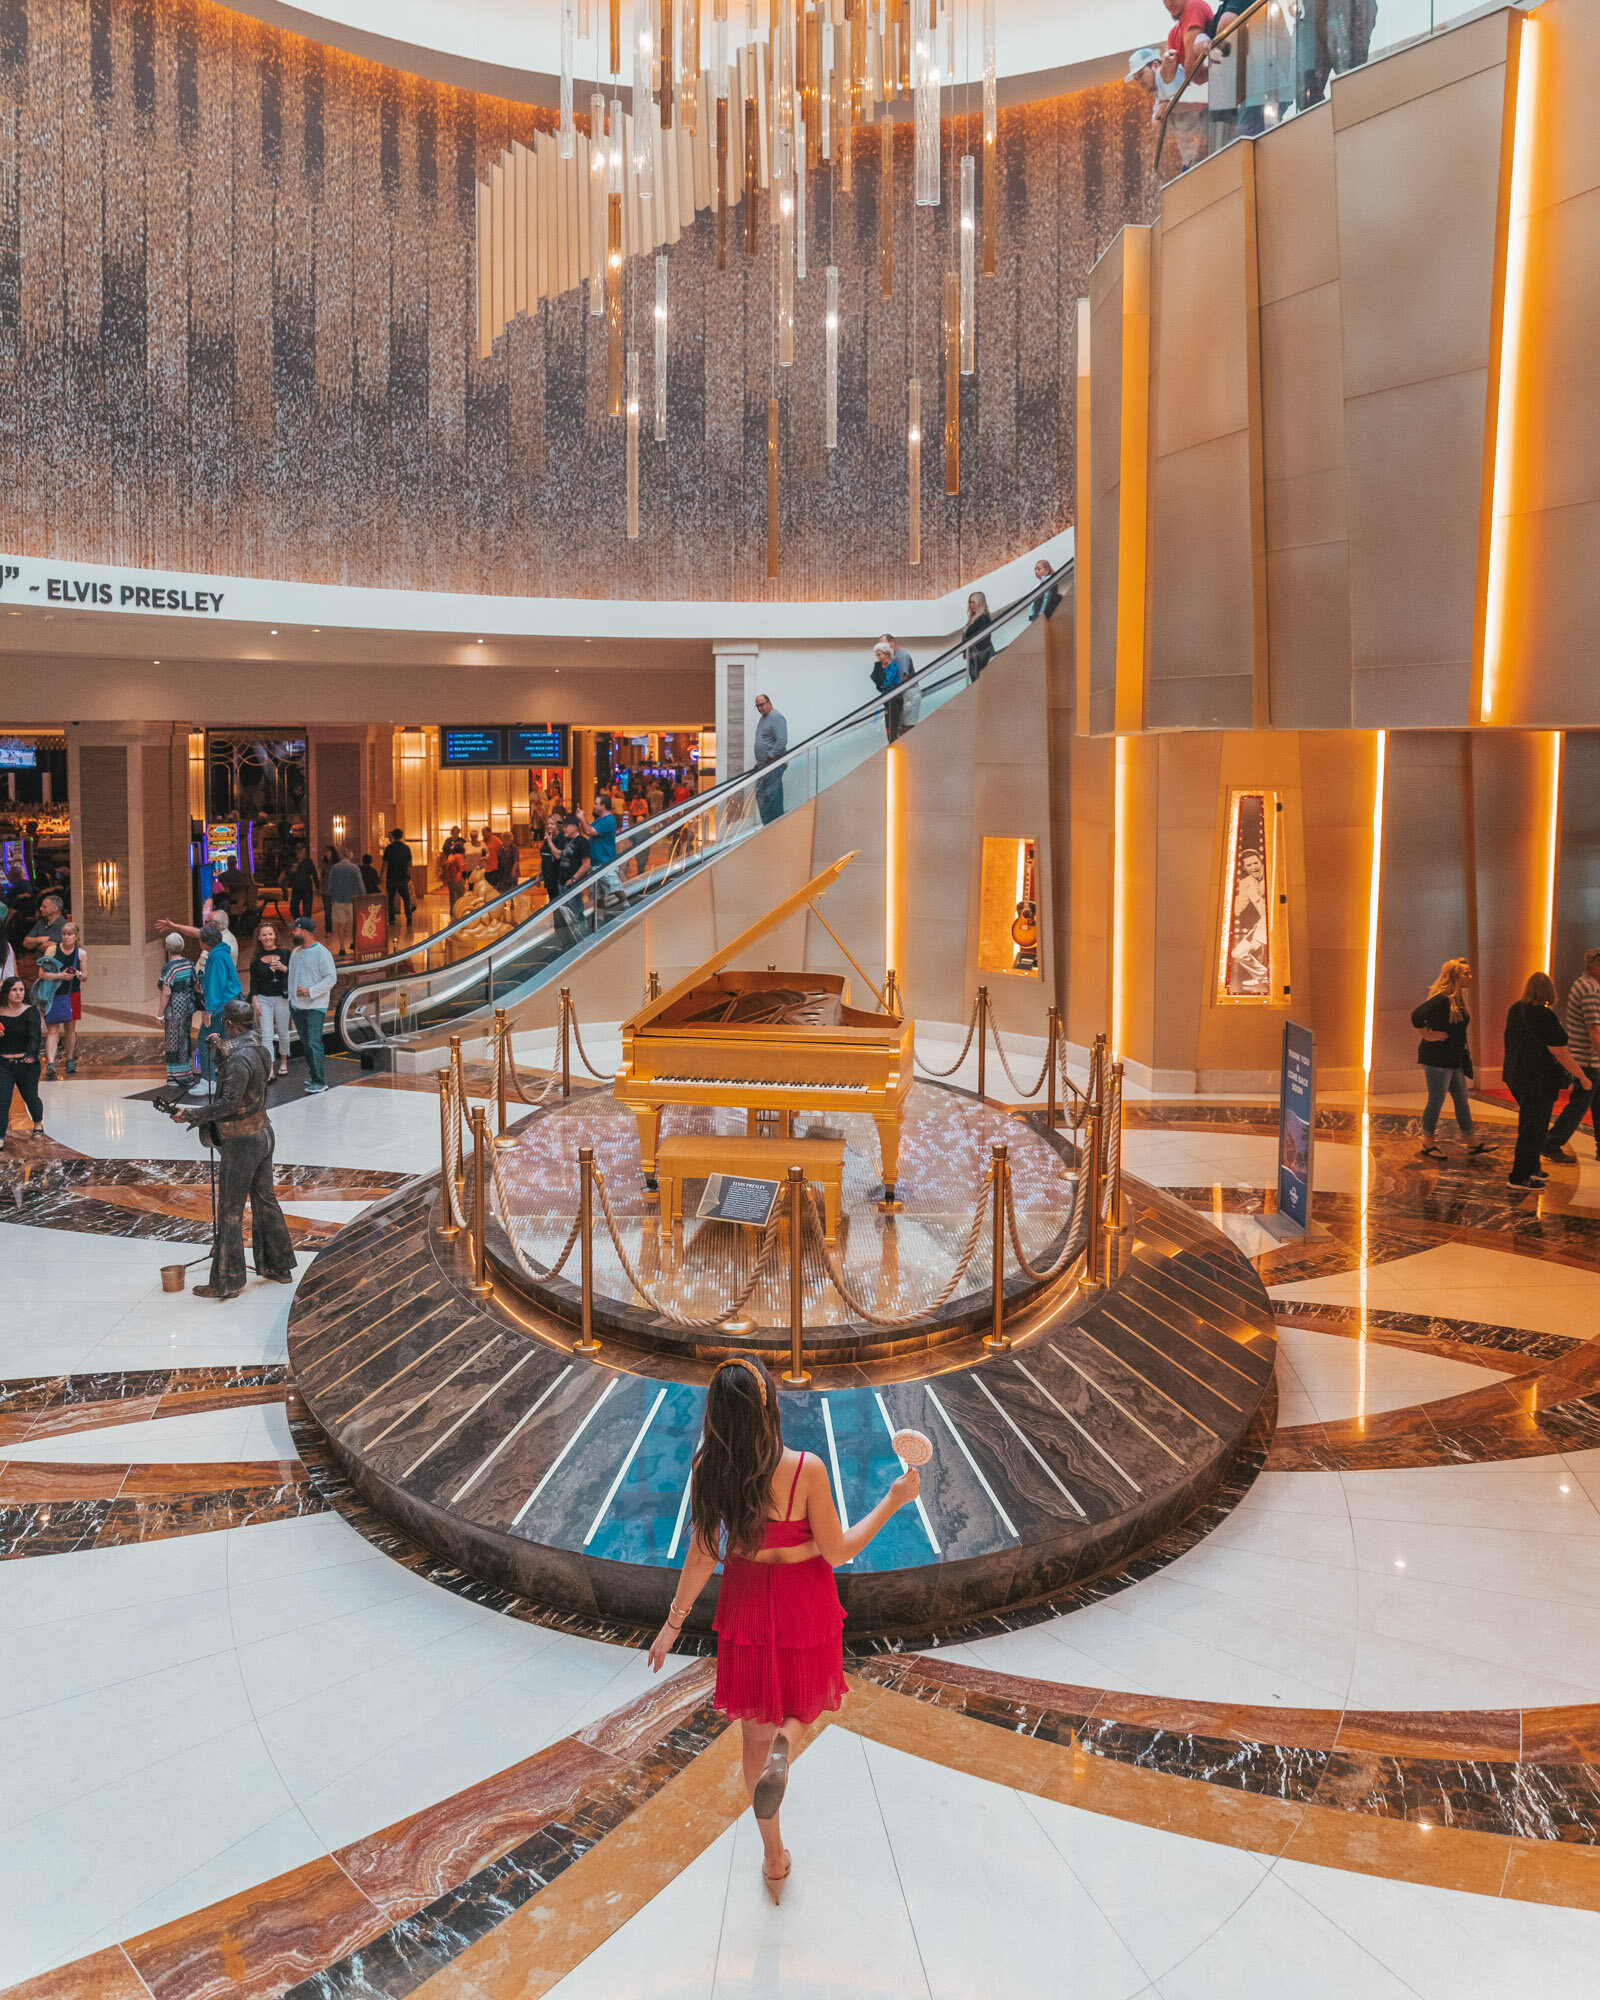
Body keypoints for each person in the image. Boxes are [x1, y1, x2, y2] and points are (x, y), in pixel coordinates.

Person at [646, 1356, 921, 1904]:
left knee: (750, 1732)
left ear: (717, 1415)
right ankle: (787, 1742)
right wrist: (893, 1500)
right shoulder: (806, 1468)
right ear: (768, 1404)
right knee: (803, 1706)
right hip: (805, 1597)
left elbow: (703, 1555)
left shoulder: (708, 1470)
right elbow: (839, 1550)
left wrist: (672, 1624)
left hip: (747, 1601)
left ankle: (773, 1856)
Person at [168, 998, 296, 1299]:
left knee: (229, 1210)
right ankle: (279, 1267)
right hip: (263, 1132)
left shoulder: (238, 1059)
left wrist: (190, 1115)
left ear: (230, 1025)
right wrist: (220, 1050)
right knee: (266, 1202)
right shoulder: (260, 1048)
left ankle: (227, 1281)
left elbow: (228, 1102)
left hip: (242, 1141)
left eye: (225, 1025)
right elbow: (239, 1059)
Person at [1502, 972, 1592, 1189]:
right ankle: (1519, 1177)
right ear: (1550, 992)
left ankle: (1533, 1168)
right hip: (1538, 1081)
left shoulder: (1516, 1009)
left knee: (1534, 1125)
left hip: (1516, 1076)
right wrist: (1582, 1077)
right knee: (1533, 1128)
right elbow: (1560, 1052)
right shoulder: (1545, 1016)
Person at [1410, 958, 1490, 1161]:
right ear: (1454, 976)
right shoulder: (1443, 998)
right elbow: (1417, 1015)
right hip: (1438, 1060)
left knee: (1462, 1100)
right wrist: (1428, 1034)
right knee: (1436, 1100)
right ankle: (1428, 1142)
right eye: (1466, 974)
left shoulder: (1457, 998)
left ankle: (1471, 1141)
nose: (1470, 977)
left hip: (1454, 1059)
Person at [287, 918, 337, 1094]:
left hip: (316, 1006)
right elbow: (292, 977)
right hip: (297, 1006)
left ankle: (319, 1081)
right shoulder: (296, 952)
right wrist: (291, 1000)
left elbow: (331, 978)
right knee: (306, 1042)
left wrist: (311, 991)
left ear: (305, 931)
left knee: (314, 1042)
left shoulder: (322, 953)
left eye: (295, 929)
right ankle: (315, 1074)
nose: (293, 932)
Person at [1563, 948, 1600, 1160]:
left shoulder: (1586, 985)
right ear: (1594, 966)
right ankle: (1552, 1142)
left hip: (1588, 1058)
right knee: (1579, 1105)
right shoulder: (1589, 989)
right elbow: (1593, 1028)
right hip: (1587, 1060)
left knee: (1593, 1105)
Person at [196, 918, 242, 1088]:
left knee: (205, 1039)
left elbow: (216, 985)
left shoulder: (216, 957)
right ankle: (225, 1077)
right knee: (224, 1040)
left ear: (204, 942)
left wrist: (209, 1009)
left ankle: (208, 1081)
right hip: (229, 1003)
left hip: (222, 1005)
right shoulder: (222, 953)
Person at [0, 973, 45, 1140]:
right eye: (14, 990)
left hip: (26, 1064)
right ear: (6, 993)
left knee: (31, 1097)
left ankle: (38, 1123)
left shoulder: (30, 1011)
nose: (18, 993)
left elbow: (35, 1037)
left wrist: (31, 1055)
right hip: (4, 1063)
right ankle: (0, 1139)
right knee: (2, 1102)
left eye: (21, 990)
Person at [38, 920, 85, 1079]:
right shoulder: (52, 950)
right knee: (52, 1029)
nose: (66, 937)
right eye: (64, 934)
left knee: (70, 1028)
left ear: (76, 936)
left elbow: (85, 976)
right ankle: (51, 1063)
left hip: (72, 993)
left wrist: (78, 974)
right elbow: (42, 974)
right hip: (53, 994)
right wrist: (60, 975)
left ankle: (69, 1059)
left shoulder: (81, 953)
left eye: (69, 934)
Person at [155, 932, 200, 1094]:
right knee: (185, 1039)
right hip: (187, 1009)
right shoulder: (189, 964)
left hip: (174, 1010)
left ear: (167, 948)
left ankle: (175, 1076)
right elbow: (195, 985)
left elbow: (166, 992)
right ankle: (186, 1073)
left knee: (173, 1042)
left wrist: (160, 1013)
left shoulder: (168, 967)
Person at [250, 922, 293, 1078]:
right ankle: (270, 1068)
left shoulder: (286, 953)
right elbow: (253, 981)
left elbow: (294, 974)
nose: (267, 937)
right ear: (259, 938)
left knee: (283, 1032)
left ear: (275, 935)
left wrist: (283, 969)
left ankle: (283, 1062)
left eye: (270, 934)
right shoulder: (256, 959)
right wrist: (254, 999)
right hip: (264, 999)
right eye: (264, 935)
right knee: (266, 1035)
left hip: (282, 998)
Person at [871, 635, 913, 744]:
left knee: (893, 722)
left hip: (894, 697)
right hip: (887, 697)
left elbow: (887, 682)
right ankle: (892, 740)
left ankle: (894, 741)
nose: (878, 657)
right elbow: (876, 679)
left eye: (879, 654)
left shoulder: (893, 666)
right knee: (888, 722)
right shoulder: (881, 666)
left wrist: (881, 681)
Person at [753, 695, 788, 824]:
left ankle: (775, 826)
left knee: (773, 796)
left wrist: (770, 755)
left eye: (762, 705)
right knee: (762, 795)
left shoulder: (776, 717)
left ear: (769, 702)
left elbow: (782, 740)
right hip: (763, 766)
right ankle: (767, 826)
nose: (760, 708)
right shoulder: (763, 719)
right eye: (757, 706)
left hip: (773, 765)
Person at [587, 791, 622, 916]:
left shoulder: (608, 820)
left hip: (605, 862)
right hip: (595, 861)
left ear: (603, 806)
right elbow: (586, 830)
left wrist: (581, 818)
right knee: (598, 894)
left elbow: (589, 831)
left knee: (615, 887)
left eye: (596, 804)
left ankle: (627, 907)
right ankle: (600, 917)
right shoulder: (599, 820)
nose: (594, 806)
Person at [325, 848, 365, 957]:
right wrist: (363, 896)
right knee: (353, 923)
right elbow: (360, 885)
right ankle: (354, 943)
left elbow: (330, 886)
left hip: (338, 900)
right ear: (350, 856)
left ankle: (342, 948)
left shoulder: (334, 868)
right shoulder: (355, 868)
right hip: (352, 900)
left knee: (340, 924)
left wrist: (332, 898)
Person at [383, 828, 415, 931]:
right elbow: (410, 863)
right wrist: (409, 873)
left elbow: (385, 863)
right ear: (401, 836)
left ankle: (392, 919)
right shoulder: (406, 848)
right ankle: (408, 916)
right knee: (406, 897)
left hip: (391, 877)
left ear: (393, 836)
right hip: (402, 877)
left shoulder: (389, 848)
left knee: (391, 898)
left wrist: (381, 875)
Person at [963, 591, 995, 682]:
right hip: (974, 654)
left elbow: (982, 637)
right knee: (975, 678)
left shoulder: (983, 618)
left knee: (978, 679)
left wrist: (966, 630)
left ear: (980, 602)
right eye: (969, 602)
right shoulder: (973, 617)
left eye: (973, 602)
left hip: (980, 653)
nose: (971, 605)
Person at [286, 842, 318, 929]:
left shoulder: (308, 861)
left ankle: (306, 928)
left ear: (305, 851)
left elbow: (314, 874)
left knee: (307, 910)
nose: (299, 851)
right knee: (293, 908)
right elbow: (286, 874)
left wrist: (318, 887)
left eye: (301, 849)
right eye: (298, 849)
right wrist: (292, 871)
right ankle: (300, 922)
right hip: (296, 888)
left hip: (307, 889)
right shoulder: (292, 861)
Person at [1028, 557, 1062, 623]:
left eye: (1039, 569)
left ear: (1047, 570)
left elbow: (1046, 599)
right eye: (1035, 570)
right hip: (1039, 619)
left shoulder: (1050, 582)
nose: (1036, 572)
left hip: (1047, 618)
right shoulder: (1039, 585)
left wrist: (1041, 615)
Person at [443, 841, 468, 914]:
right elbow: (461, 868)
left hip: (450, 878)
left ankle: (452, 910)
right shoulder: (459, 856)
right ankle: (459, 910)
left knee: (452, 895)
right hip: (458, 877)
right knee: (460, 895)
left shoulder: (451, 856)